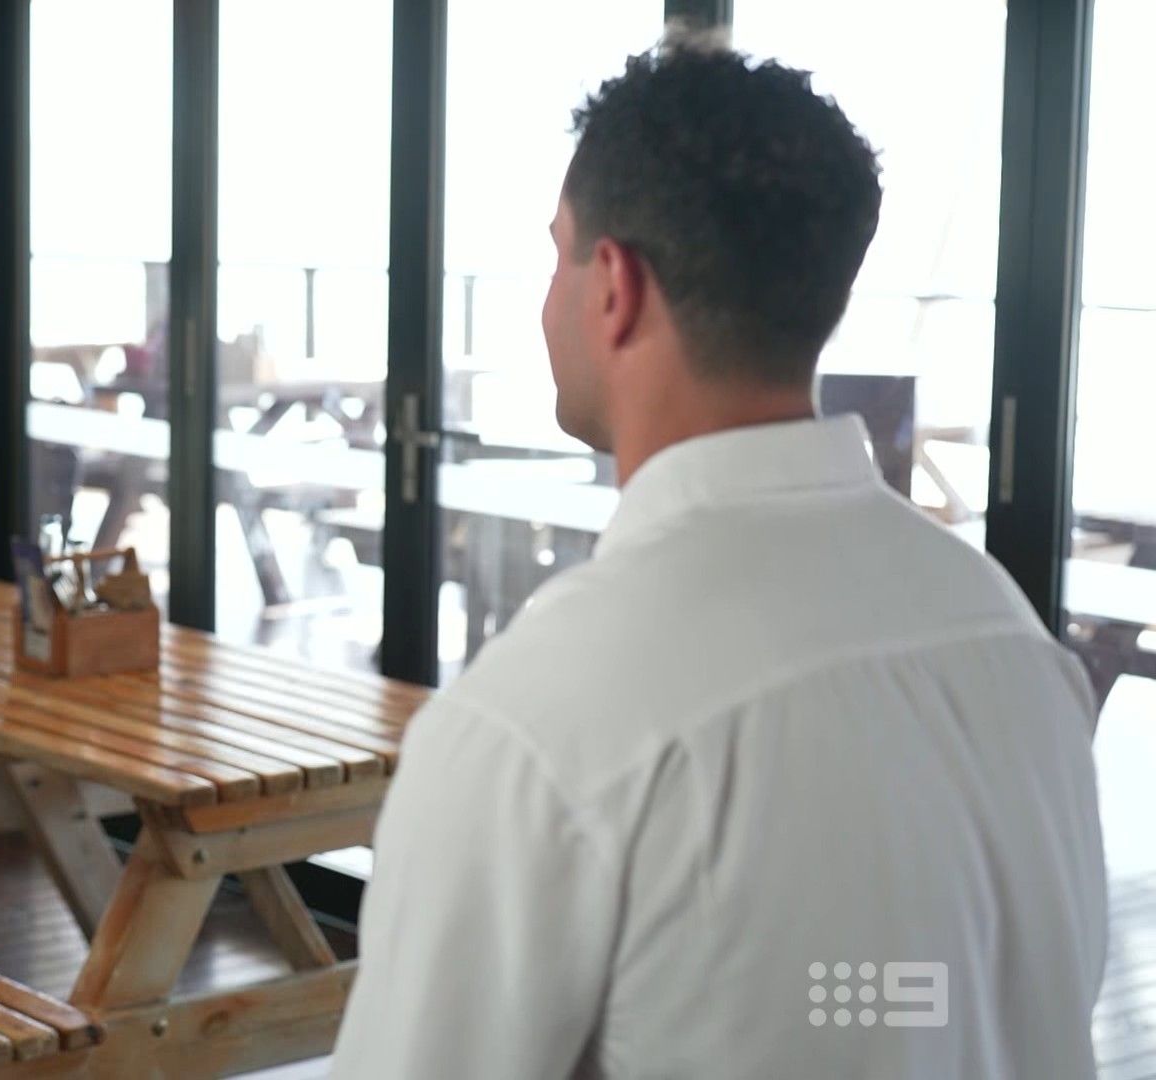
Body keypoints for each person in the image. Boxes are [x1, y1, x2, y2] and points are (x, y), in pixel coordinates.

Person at [330, 36, 1106, 1079]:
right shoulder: (1013, 646)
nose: (546, 298)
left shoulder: (541, 728)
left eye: (557, 254)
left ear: (615, 285)